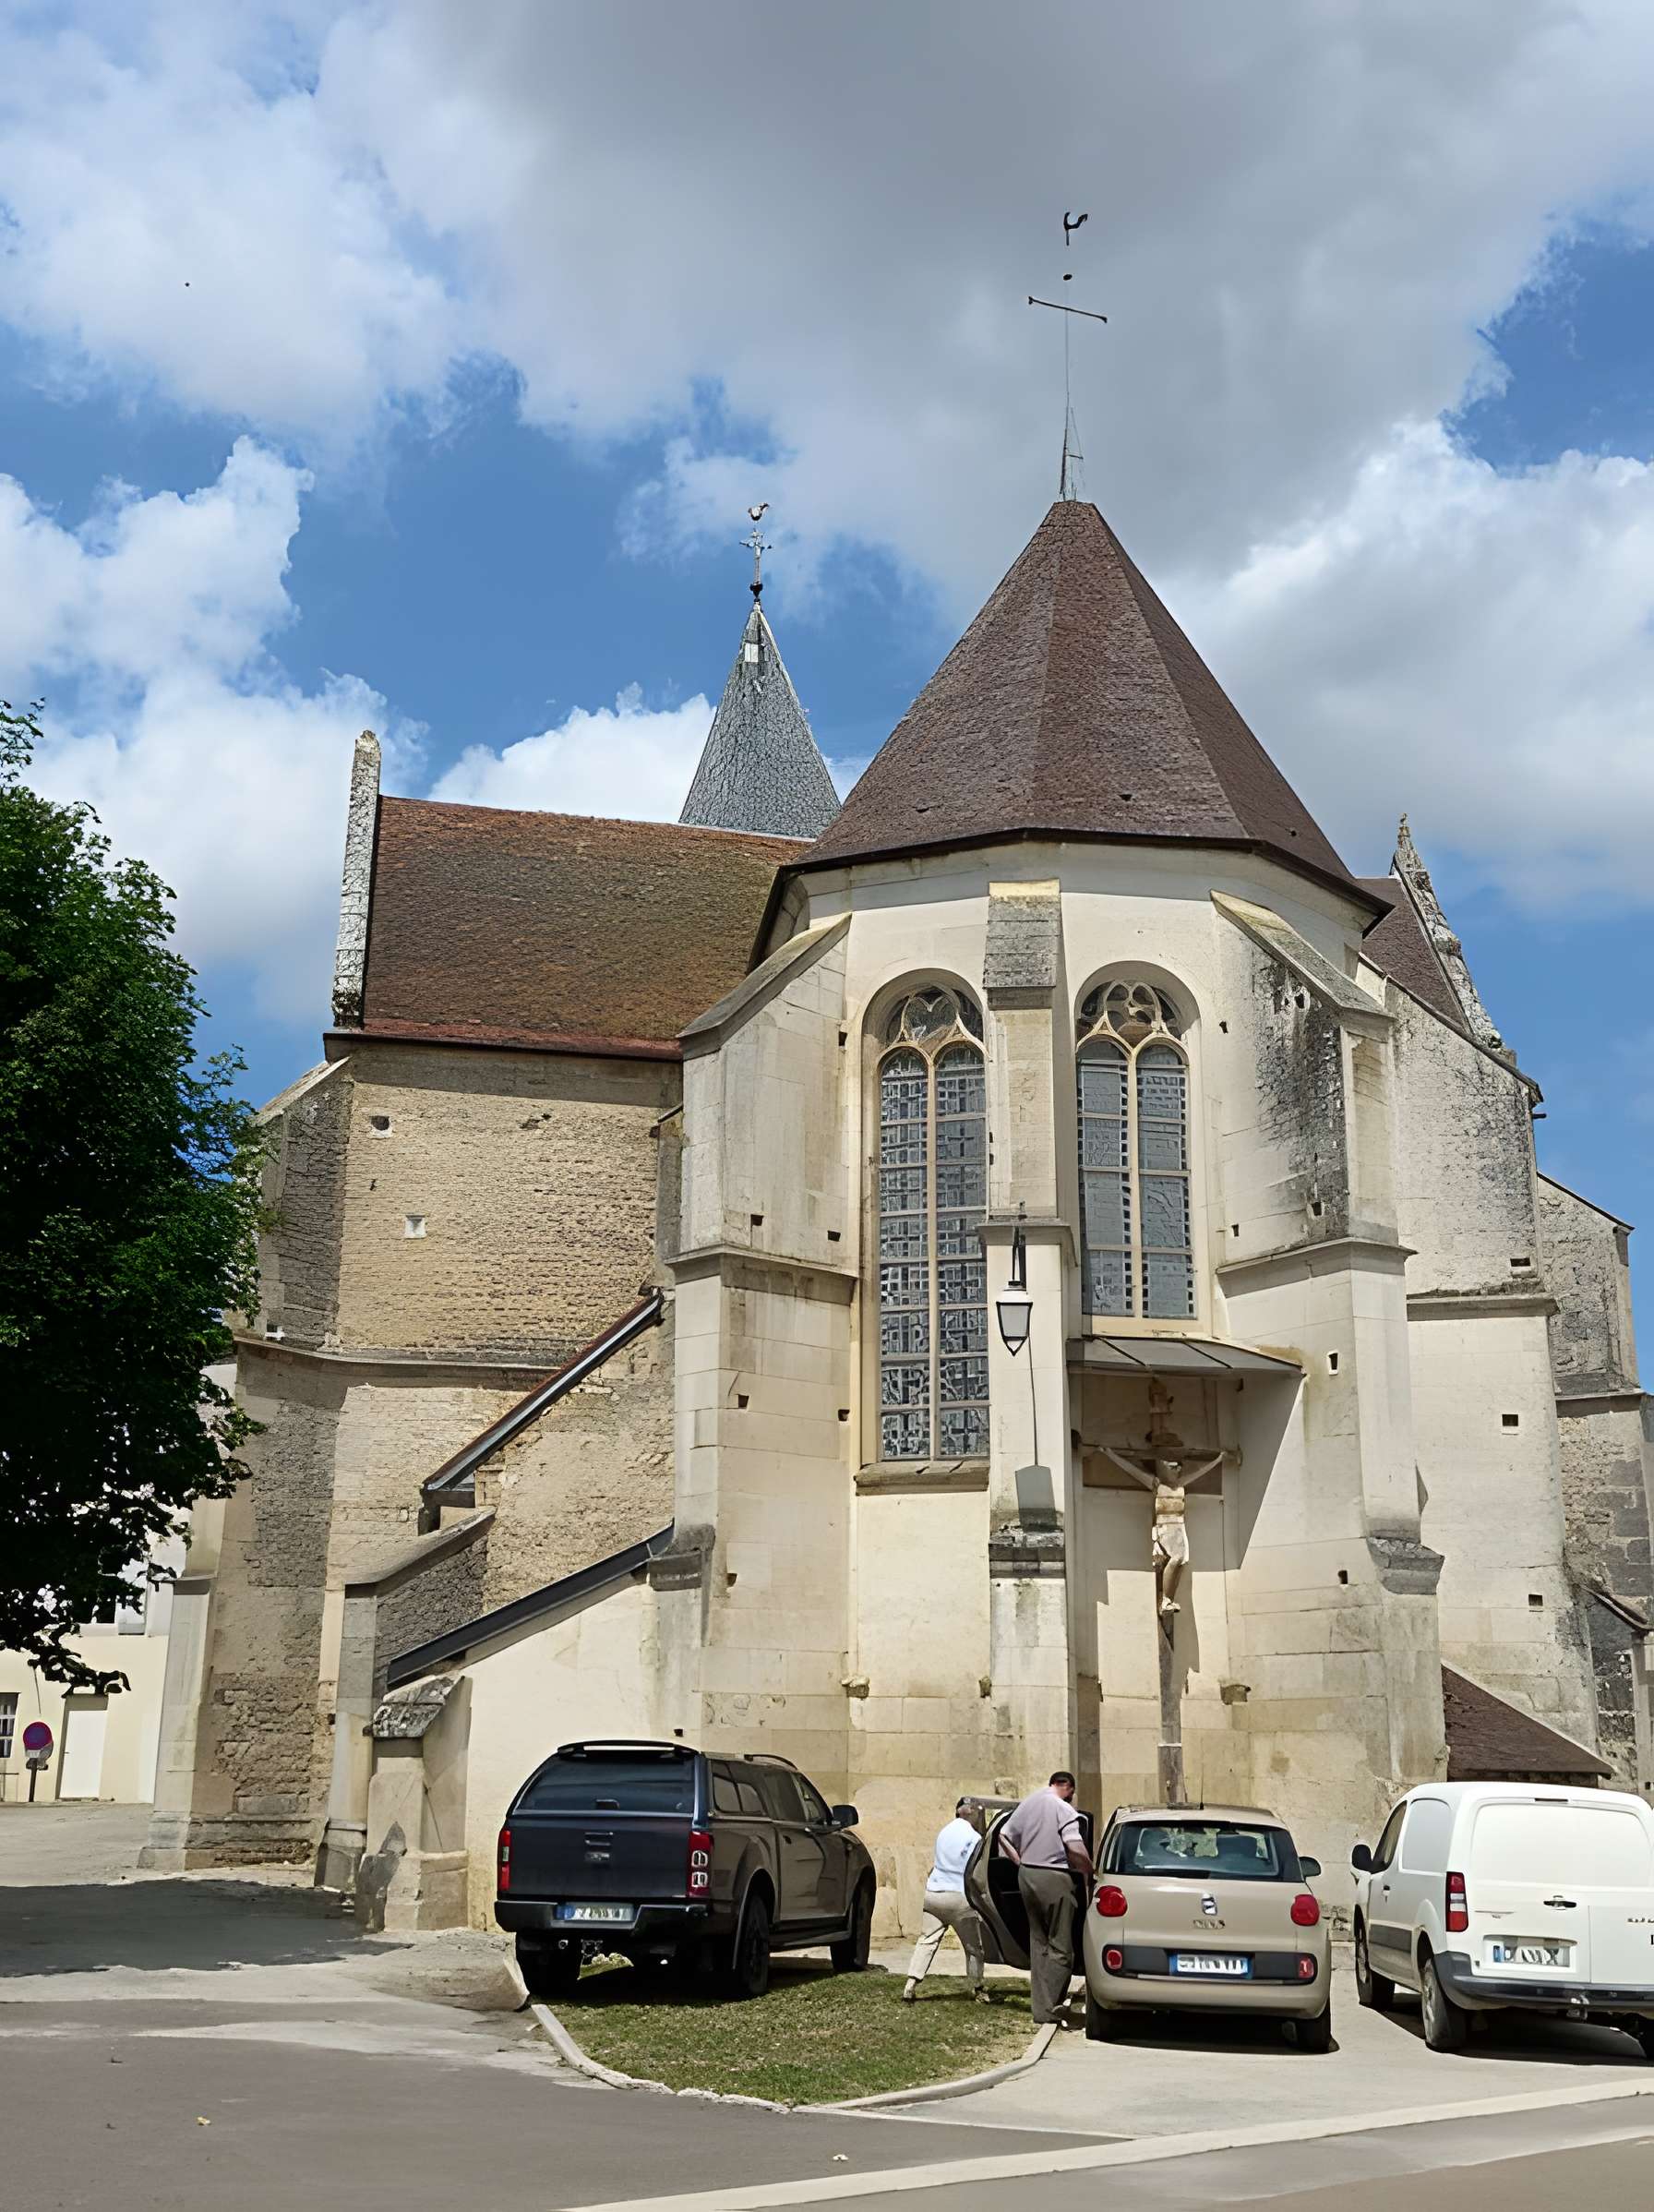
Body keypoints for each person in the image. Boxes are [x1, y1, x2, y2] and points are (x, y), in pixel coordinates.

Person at [998, 1770, 1092, 2026]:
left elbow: (1003, 1835)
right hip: (1054, 1875)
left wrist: (1019, 1861)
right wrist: (1089, 1868)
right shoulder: (1063, 1809)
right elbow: (1074, 1845)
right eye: (1071, 1793)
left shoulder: (1029, 1802)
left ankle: (1040, 2010)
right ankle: (1053, 2007)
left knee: (1038, 1943)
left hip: (1027, 1875)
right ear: (1068, 1788)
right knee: (1061, 1946)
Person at [902, 1799, 989, 2003]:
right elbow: (976, 1870)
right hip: (959, 1897)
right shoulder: (974, 1837)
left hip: (934, 1894)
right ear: (973, 1814)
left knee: (927, 1940)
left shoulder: (944, 1832)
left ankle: (911, 1984)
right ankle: (978, 1988)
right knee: (974, 1948)